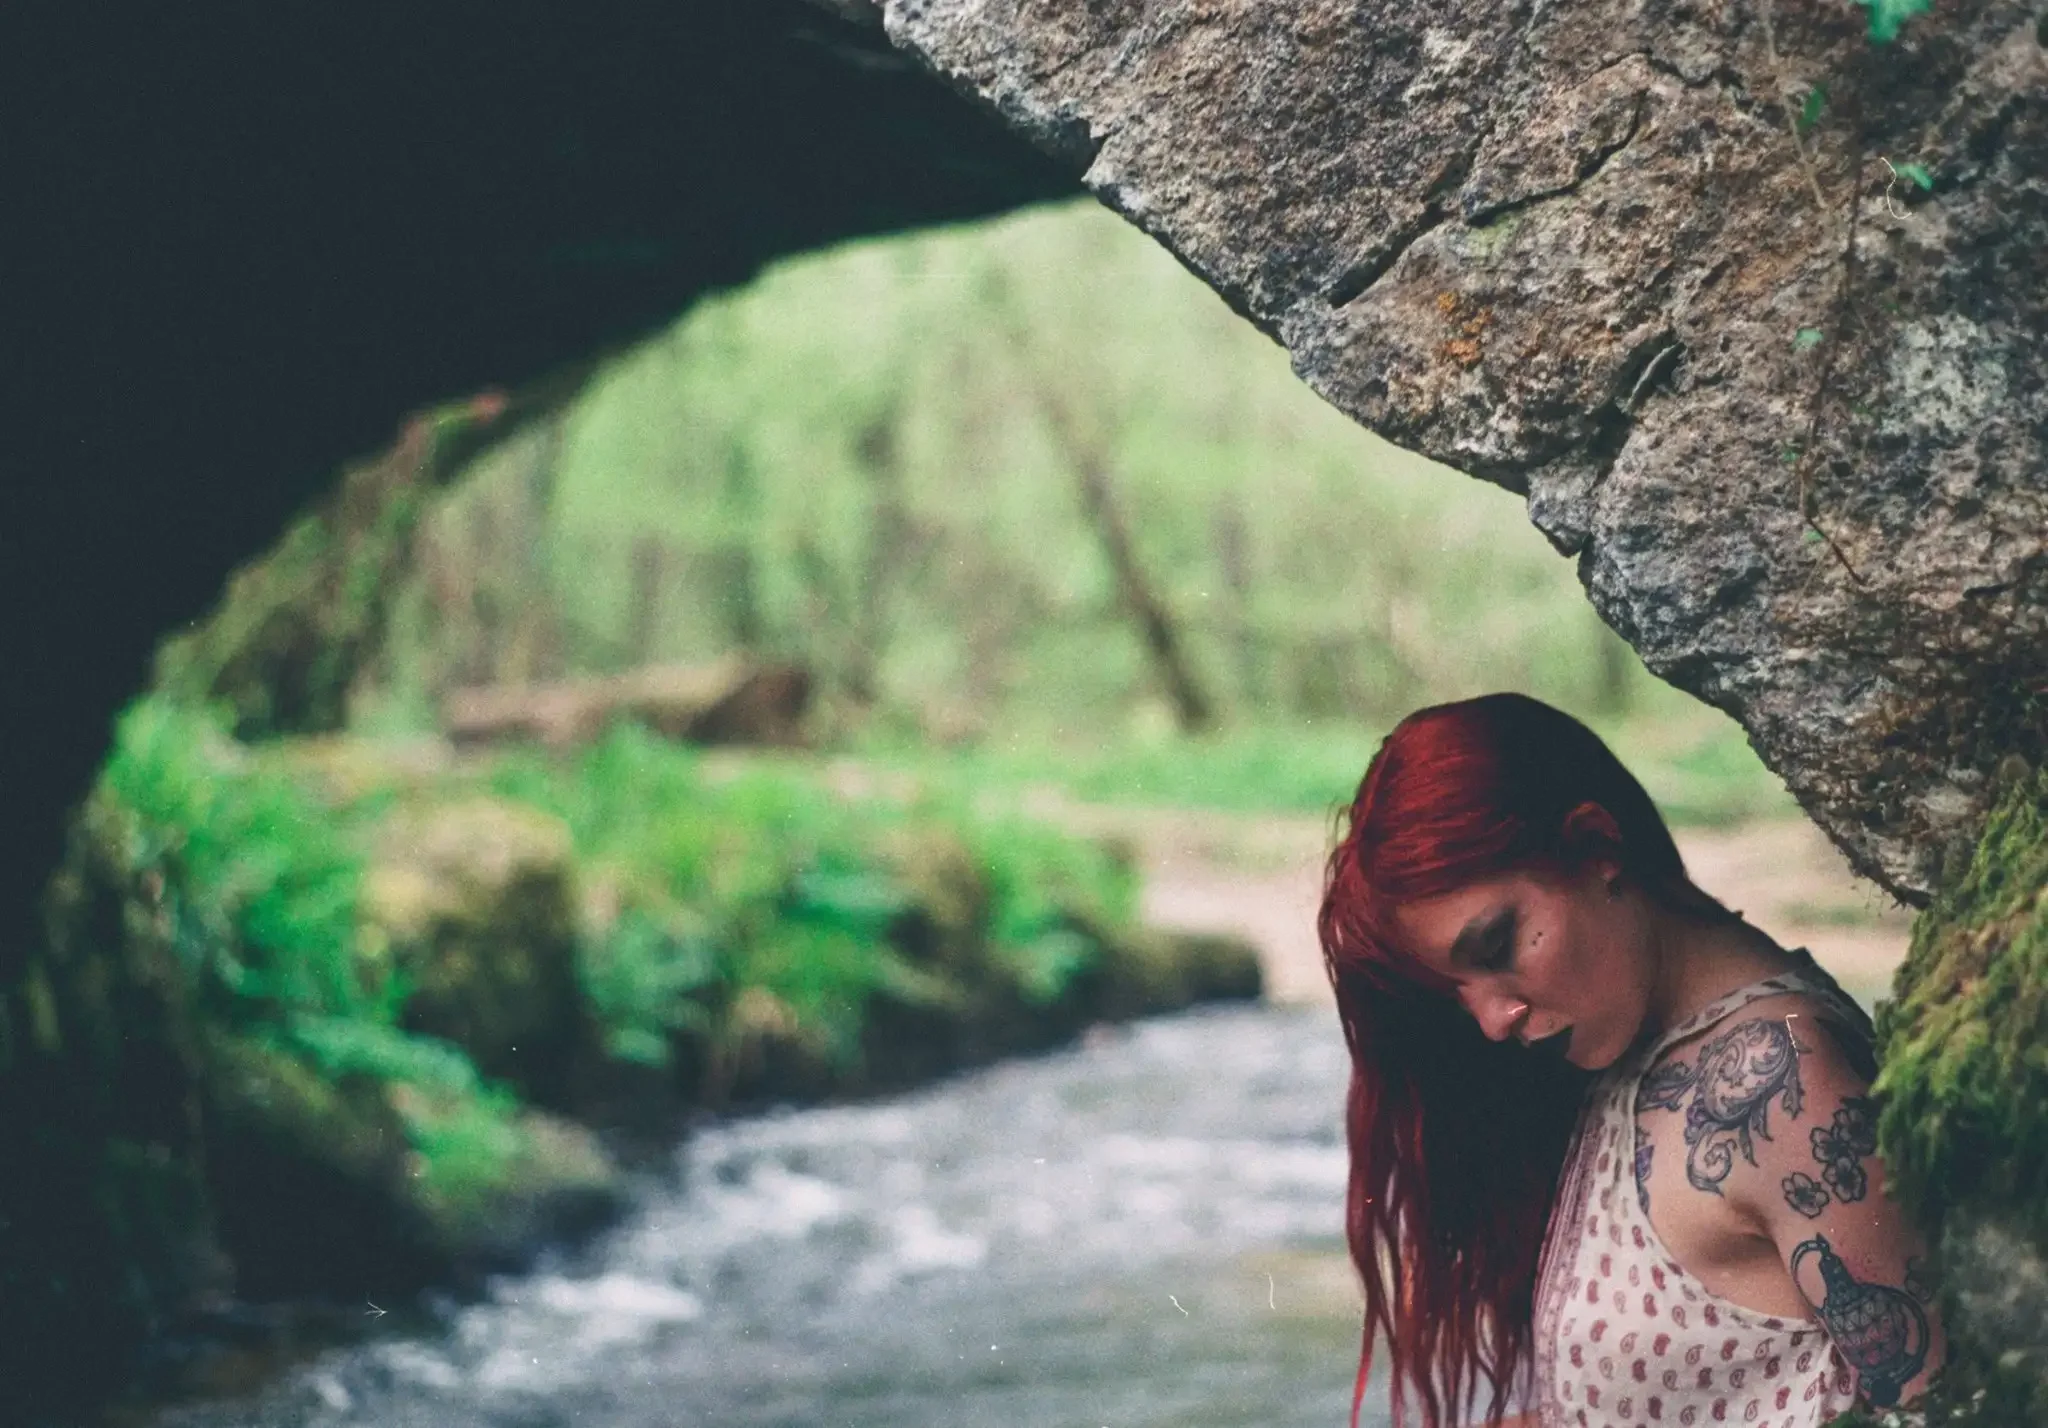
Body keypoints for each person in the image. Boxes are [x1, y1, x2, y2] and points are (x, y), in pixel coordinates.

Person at [1317, 693, 1944, 1428]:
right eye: (1460, 995)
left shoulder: (1787, 1086)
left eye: (1496, 947)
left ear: (1597, 848)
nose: (1492, 1021)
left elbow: (1943, 1413)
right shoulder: (1625, 1047)